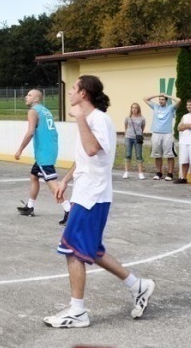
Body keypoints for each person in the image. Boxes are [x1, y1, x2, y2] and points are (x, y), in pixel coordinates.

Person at [44, 75, 155, 328]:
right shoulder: (90, 120)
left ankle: (78, 312)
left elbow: (93, 149)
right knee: (91, 250)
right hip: (85, 193)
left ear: (83, 93)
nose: (70, 92)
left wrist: (81, 119)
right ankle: (138, 285)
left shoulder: (99, 120)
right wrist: (65, 180)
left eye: (73, 88)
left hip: (93, 196)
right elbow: (84, 156)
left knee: (72, 249)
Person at [13, 89, 71, 224]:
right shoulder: (45, 110)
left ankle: (69, 209)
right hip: (49, 148)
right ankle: (30, 206)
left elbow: (30, 132)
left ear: (37, 99)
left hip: (44, 152)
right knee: (34, 176)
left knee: (52, 183)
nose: (26, 97)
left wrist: (20, 150)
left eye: (29, 95)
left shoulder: (33, 111)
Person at [143, 93, 179, 181]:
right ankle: (159, 173)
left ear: (166, 101)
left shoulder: (170, 108)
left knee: (169, 155)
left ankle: (170, 174)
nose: (161, 101)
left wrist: (167, 95)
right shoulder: (155, 106)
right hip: (156, 133)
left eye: (163, 99)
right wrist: (158, 95)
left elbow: (179, 100)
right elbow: (145, 98)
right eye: (160, 99)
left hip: (167, 134)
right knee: (157, 154)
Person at [122, 103, 146, 180]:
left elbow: (142, 128)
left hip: (137, 138)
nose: (134, 109)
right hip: (128, 137)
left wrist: (139, 134)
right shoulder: (128, 118)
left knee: (139, 155)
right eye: (132, 108)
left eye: (136, 108)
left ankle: (140, 173)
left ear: (138, 109)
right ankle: (126, 172)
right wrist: (126, 134)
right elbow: (126, 127)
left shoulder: (142, 118)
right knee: (128, 154)